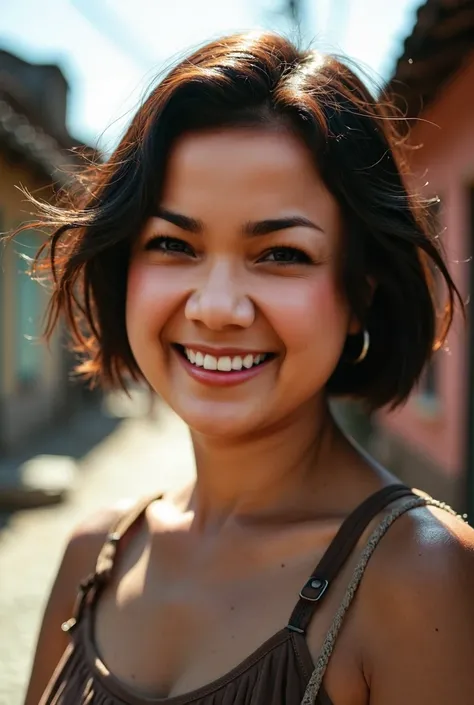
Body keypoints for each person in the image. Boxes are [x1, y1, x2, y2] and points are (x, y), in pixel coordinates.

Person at [20, 31, 474, 705]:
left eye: (281, 253)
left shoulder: (422, 577)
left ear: (360, 292)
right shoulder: (94, 555)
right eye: (173, 243)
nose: (218, 306)